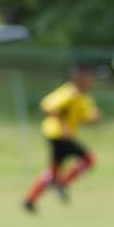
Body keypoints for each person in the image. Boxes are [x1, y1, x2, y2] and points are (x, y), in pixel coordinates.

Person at [23, 63, 101, 212]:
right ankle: (62, 183)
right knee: (88, 159)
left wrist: (95, 118)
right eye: (88, 78)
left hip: (61, 136)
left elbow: (87, 116)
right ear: (79, 78)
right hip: (58, 135)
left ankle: (30, 200)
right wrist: (63, 125)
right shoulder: (69, 93)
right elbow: (47, 106)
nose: (90, 81)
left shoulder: (83, 98)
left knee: (53, 170)